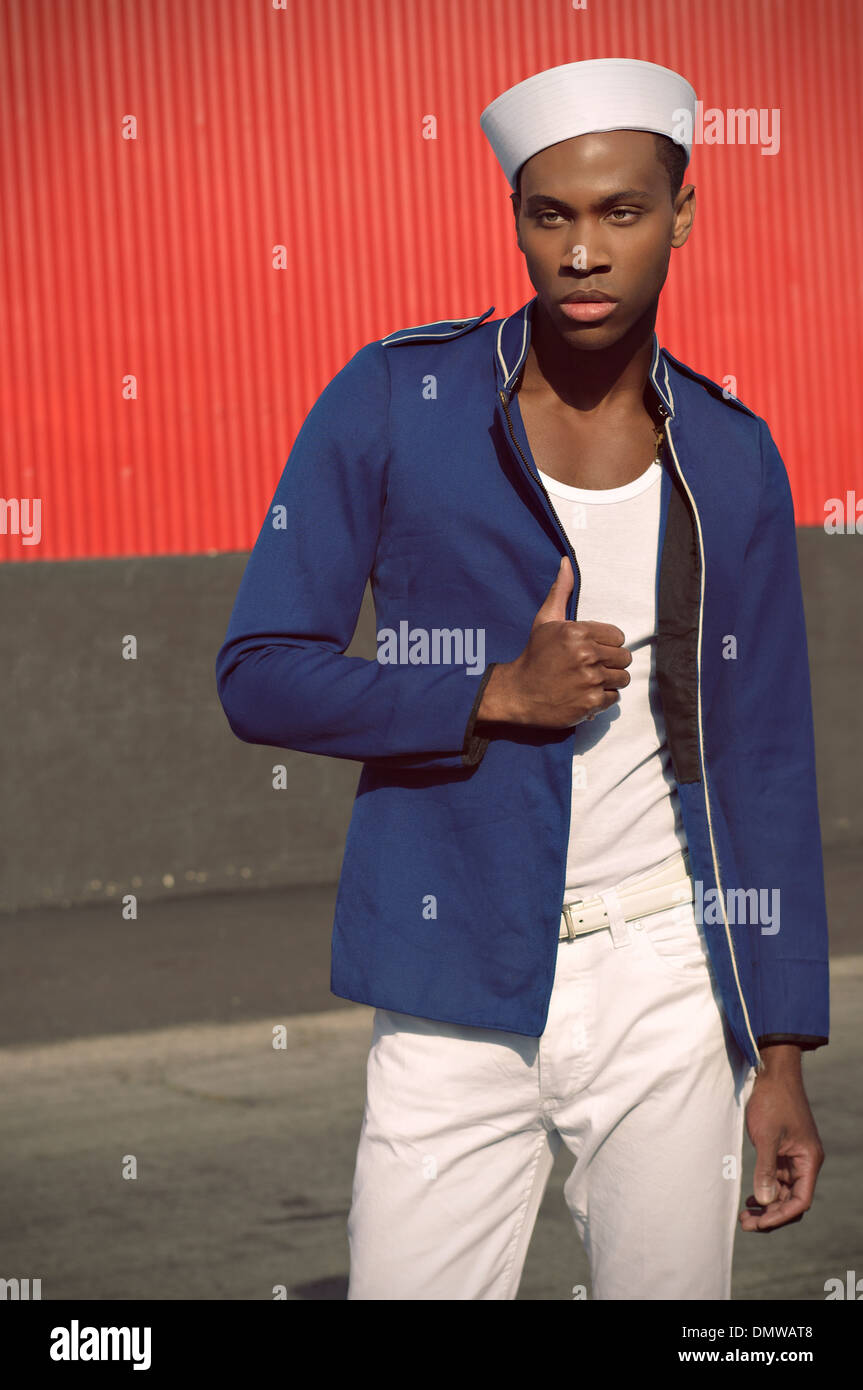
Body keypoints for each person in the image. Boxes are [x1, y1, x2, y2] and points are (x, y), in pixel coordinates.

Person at [215, 58, 829, 1300]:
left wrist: (779, 1052)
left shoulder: (732, 452)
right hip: (451, 987)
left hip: (665, 981)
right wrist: (483, 692)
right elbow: (258, 675)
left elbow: (761, 758)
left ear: (683, 212)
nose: (584, 252)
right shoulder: (394, 396)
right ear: (516, 220)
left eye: (621, 211)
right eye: (550, 215)